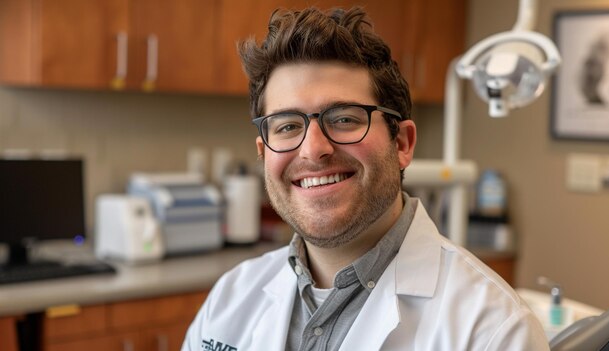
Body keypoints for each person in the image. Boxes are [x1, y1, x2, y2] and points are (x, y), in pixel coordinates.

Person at [183, 6, 548, 351]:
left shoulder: (493, 331)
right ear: (264, 153)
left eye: (344, 119)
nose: (313, 150)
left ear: (402, 143)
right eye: (288, 126)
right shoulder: (230, 298)